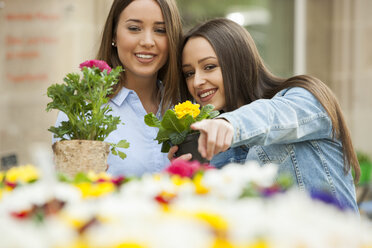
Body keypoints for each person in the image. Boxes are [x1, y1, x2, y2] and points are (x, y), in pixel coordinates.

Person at [173, 18, 360, 212]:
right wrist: (186, 176)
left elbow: (272, 116)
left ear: (238, 63)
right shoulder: (217, 150)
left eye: (209, 67)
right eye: (189, 73)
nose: (196, 82)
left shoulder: (306, 97)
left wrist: (229, 124)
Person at [53, 0, 183, 176]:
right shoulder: (82, 111)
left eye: (160, 30)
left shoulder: (186, 105)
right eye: (134, 28)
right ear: (114, 34)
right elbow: (66, 190)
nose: (147, 41)